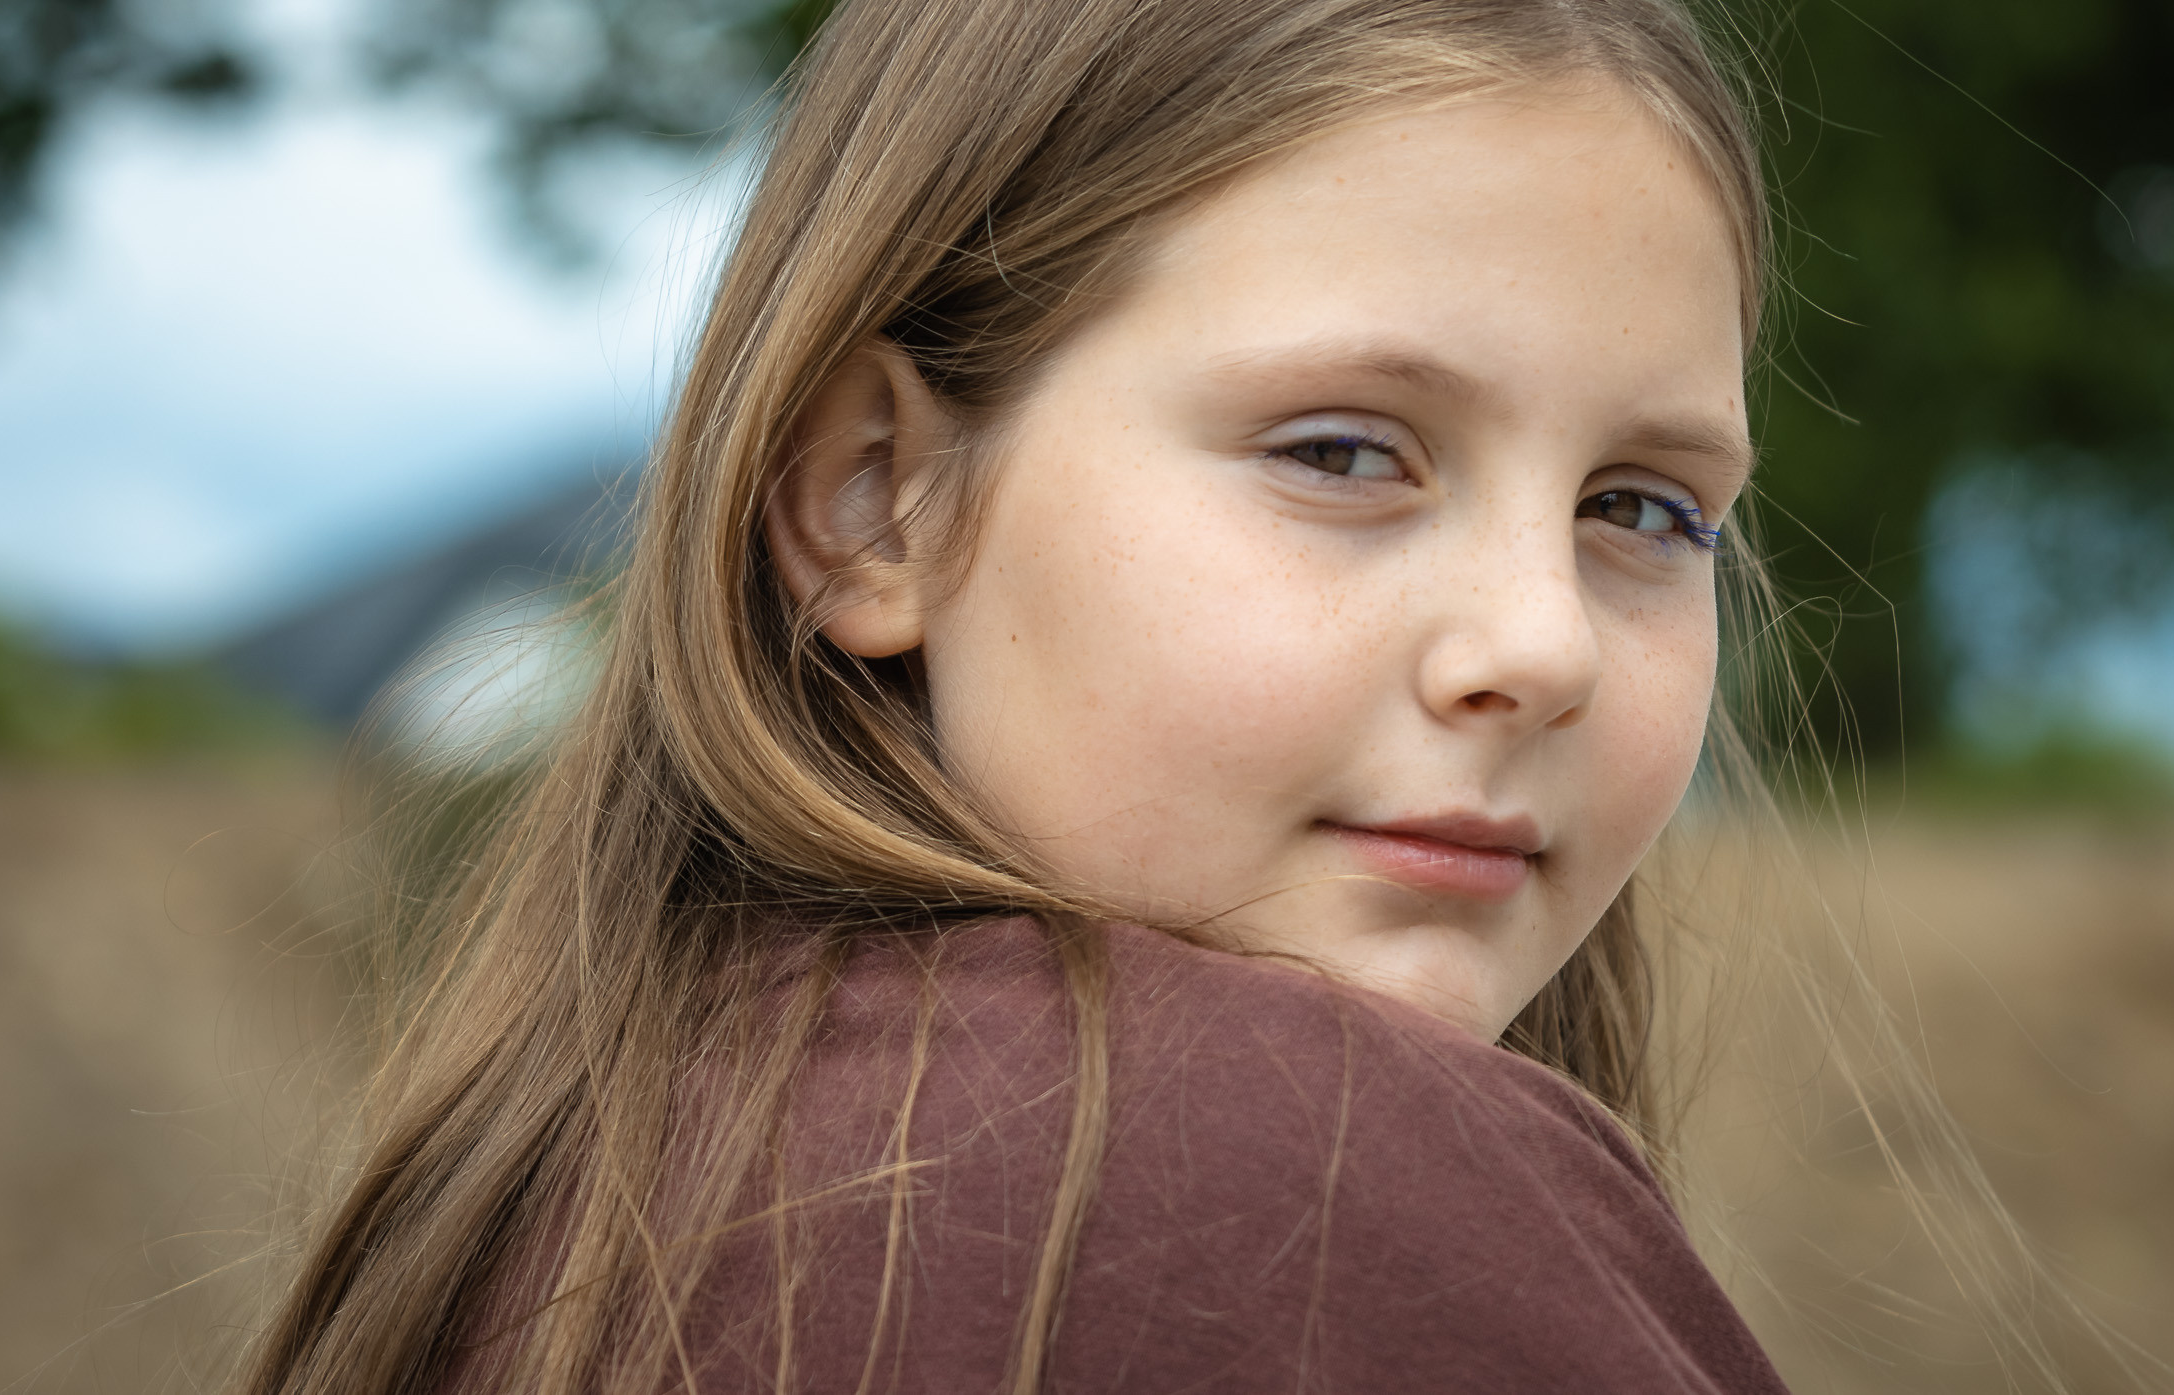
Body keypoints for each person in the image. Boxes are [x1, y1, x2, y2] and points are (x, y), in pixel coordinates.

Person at [237, 0, 1797, 1389]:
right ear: (872, 498)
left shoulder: (603, 1190)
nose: (1544, 648)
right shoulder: (1295, 1181)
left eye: (1645, 510)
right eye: (1340, 452)